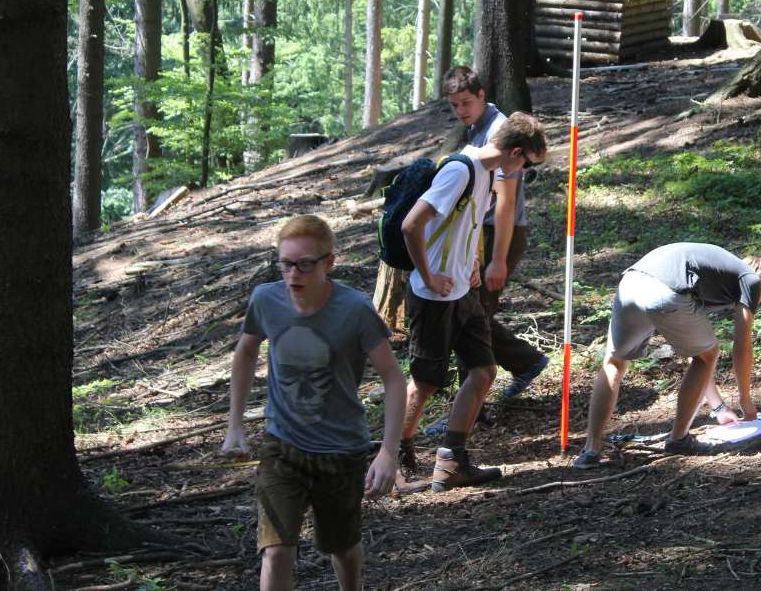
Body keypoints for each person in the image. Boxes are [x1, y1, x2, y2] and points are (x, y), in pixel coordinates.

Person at [222, 215, 407, 591]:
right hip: (282, 446)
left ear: (329, 262)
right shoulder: (265, 299)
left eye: (306, 264)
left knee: (342, 546)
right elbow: (244, 354)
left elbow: (393, 379)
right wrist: (235, 425)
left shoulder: (354, 309)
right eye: (286, 263)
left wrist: (388, 451)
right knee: (276, 550)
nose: (294, 274)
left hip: (341, 450)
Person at [398, 112, 548, 491]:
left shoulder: (486, 175)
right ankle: (395, 458)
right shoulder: (460, 171)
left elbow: (467, 224)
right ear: (515, 153)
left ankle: (451, 462)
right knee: (425, 381)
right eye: (527, 166)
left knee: (483, 371)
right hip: (433, 296)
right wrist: (430, 275)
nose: (522, 172)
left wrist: (475, 261)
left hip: (465, 292)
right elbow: (411, 225)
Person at [419, 69, 550, 438]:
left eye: (466, 102)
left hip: (496, 235)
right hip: (477, 233)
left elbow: (506, 204)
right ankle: (526, 362)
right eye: (454, 105)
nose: (460, 110)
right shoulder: (477, 127)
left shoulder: (502, 133)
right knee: (471, 315)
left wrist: (496, 259)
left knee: (470, 319)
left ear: (482, 94)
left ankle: (471, 411)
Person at [573, 243, 761, 470]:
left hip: (631, 282)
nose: (759, 303)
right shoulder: (750, 280)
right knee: (709, 355)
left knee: (614, 362)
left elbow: (696, 355)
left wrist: (719, 408)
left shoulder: (715, 275)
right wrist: (746, 401)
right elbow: (742, 346)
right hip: (664, 289)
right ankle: (678, 439)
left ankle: (591, 449)